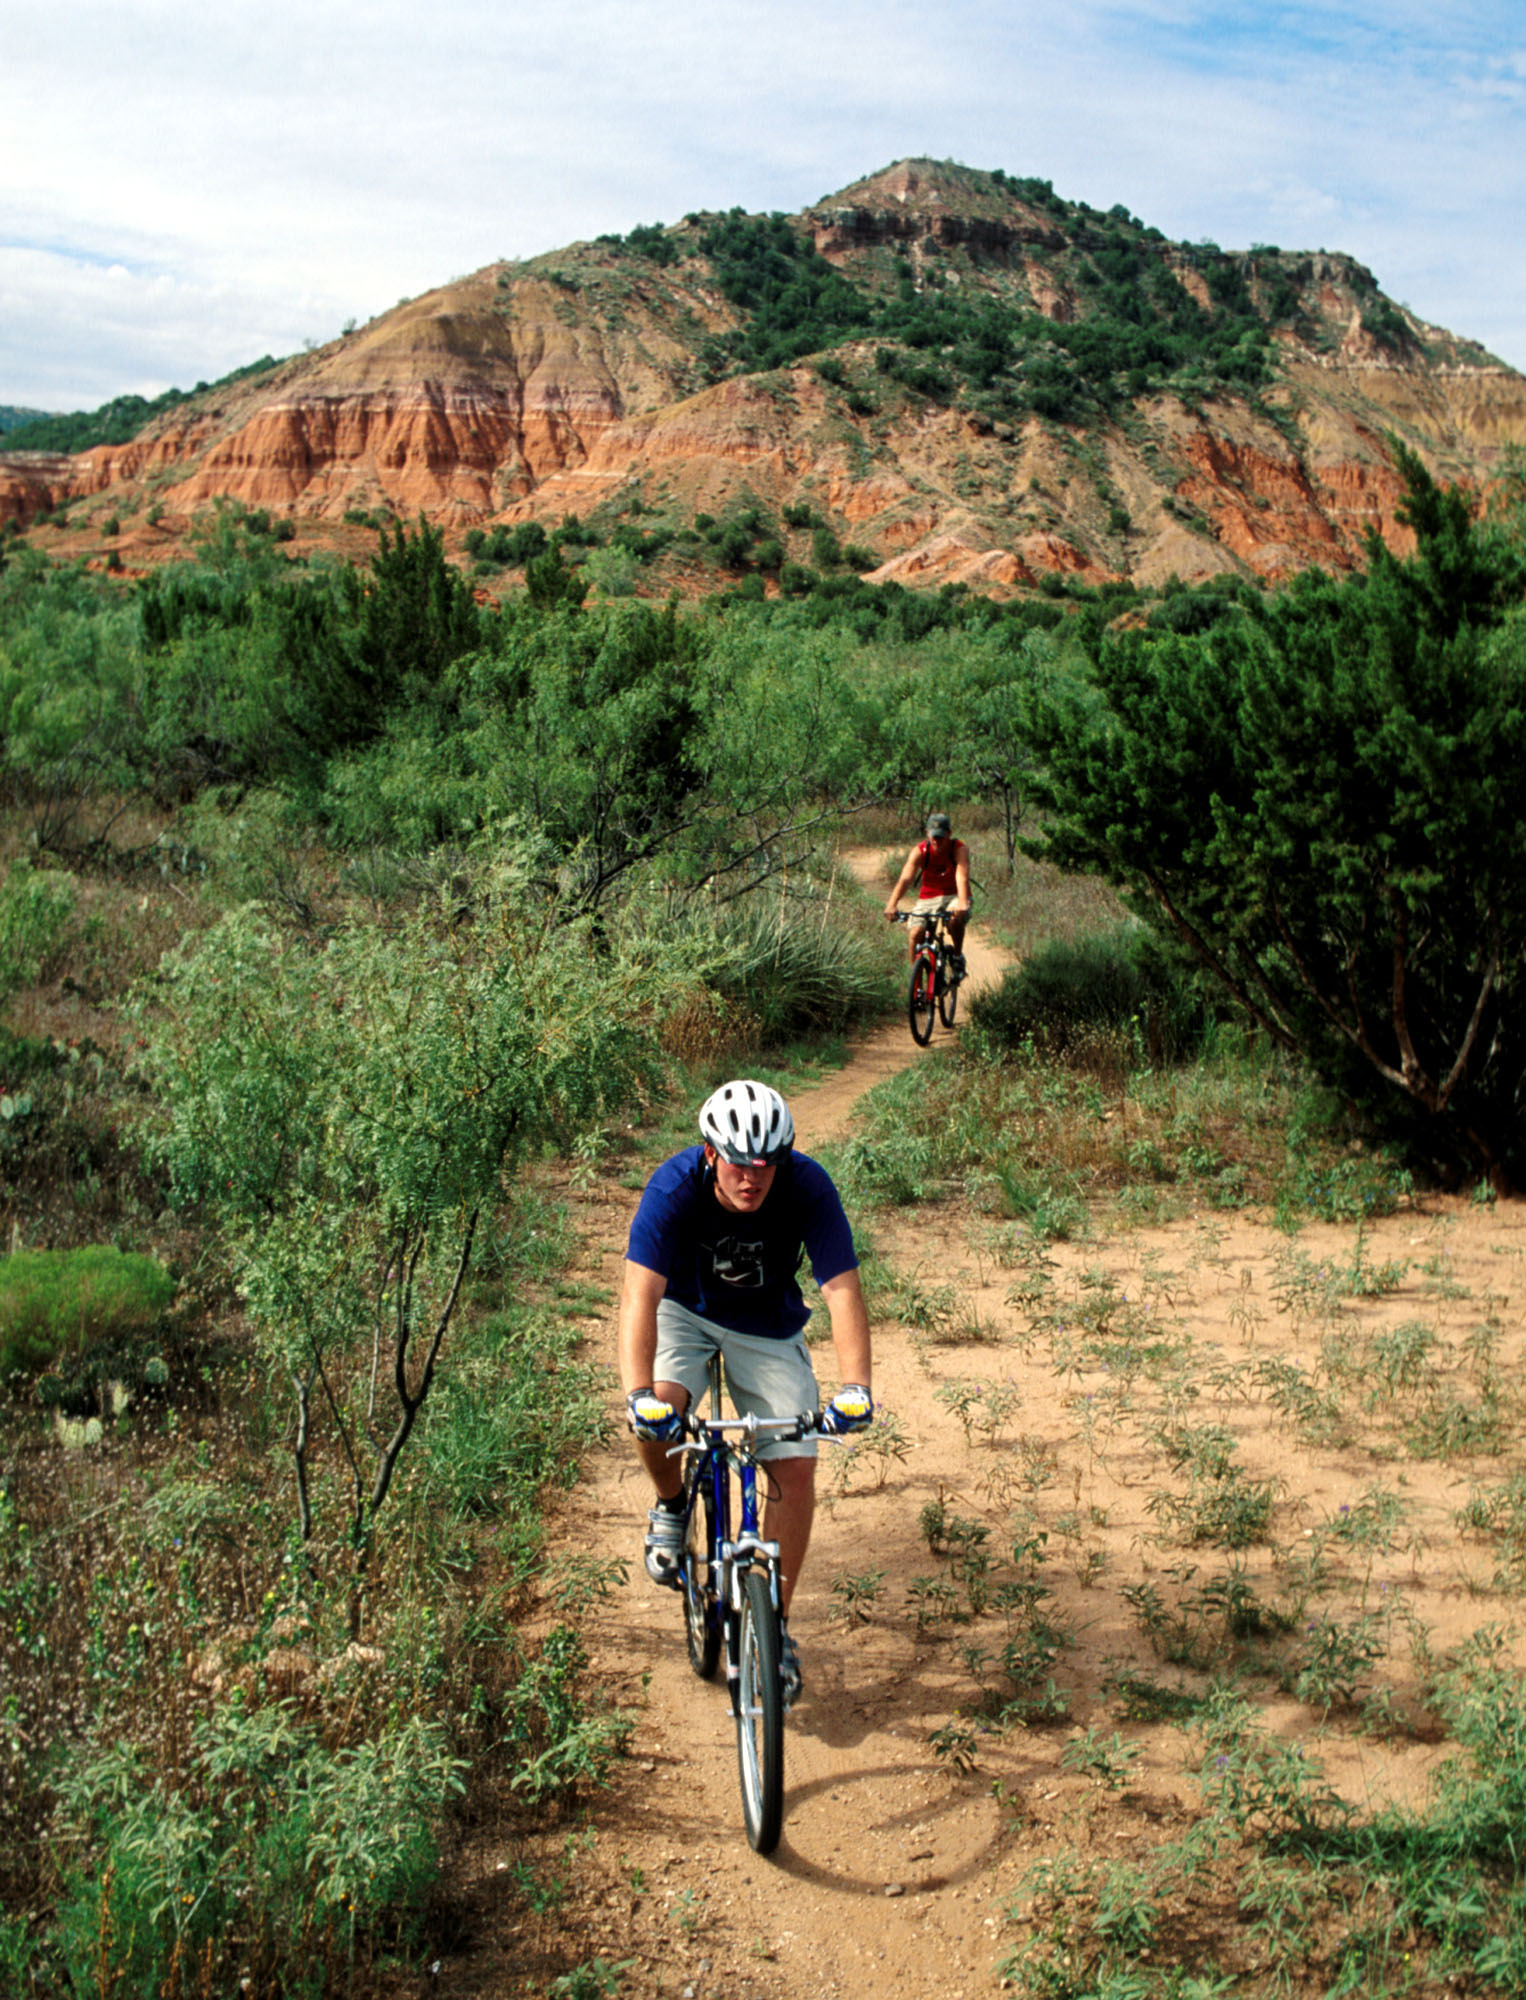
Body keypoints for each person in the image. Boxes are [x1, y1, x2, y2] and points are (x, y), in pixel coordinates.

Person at [618, 1078, 873, 1705]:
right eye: (737, 1162)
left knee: (796, 1457)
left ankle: (774, 1628)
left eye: (765, 1164)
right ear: (711, 1155)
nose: (751, 1177)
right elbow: (639, 1294)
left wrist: (855, 1388)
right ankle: (673, 1504)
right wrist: (638, 1396)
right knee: (659, 1411)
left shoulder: (808, 1186)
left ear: (782, 1158)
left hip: (766, 1323)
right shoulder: (672, 1186)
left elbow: (841, 1286)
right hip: (684, 1309)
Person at [884, 811, 972, 972]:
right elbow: (905, 879)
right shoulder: (920, 851)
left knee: (954, 920)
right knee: (915, 933)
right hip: (927, 898)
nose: (936, 841)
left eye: (940, 837)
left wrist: (962, 903)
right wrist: (892, 904)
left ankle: (957, 956)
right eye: (933, 837)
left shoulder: (959, 849)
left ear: (949, 834)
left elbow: (962, 877)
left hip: (954, 895)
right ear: (927, 834)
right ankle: (915, 978)